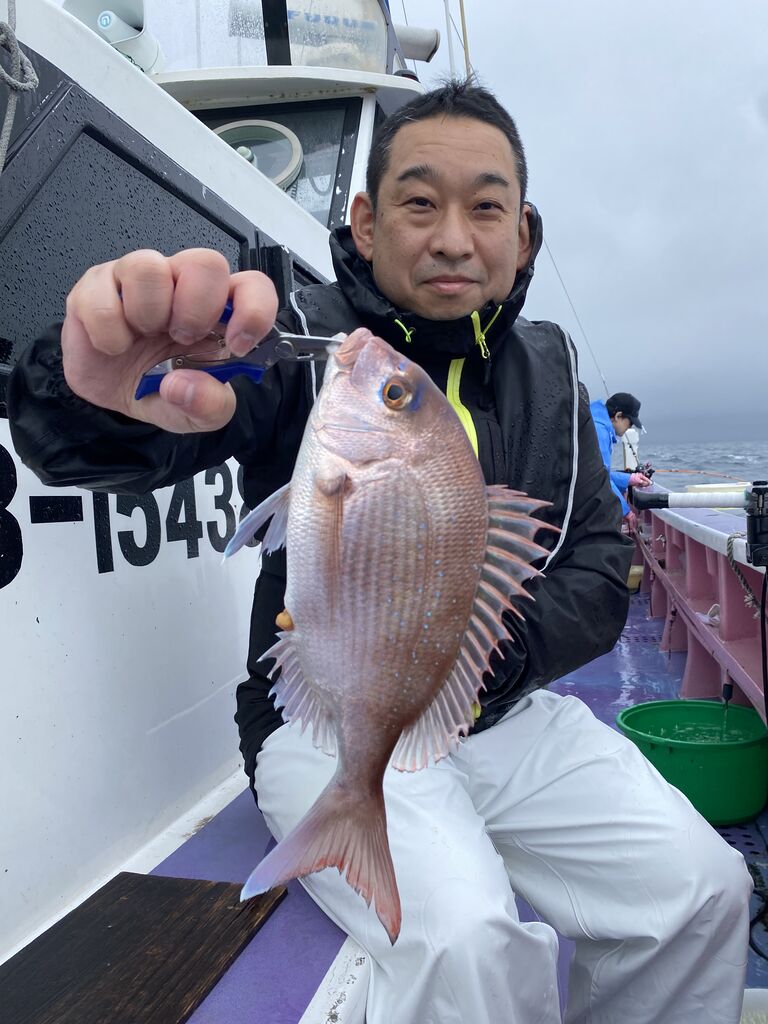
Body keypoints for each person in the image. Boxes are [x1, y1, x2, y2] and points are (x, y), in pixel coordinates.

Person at [8, 82, 750, 1023]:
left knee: (704, 891)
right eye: (419, 202)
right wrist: (91, 388)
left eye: (486, 208)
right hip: (328, 720)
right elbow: (133, 431)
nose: (454, 239)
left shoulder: (553, 375)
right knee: (466, 945)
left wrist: (475, 665)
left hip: (502, 714)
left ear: (524, 234)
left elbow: (602, 568)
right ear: (365, 223)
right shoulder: (295, 347)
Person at [591, 391, 652, 530]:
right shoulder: (600, 432)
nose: (629, 428)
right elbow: (600, 478)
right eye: (630, 424)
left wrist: (629, 479)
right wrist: (626, 512)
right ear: (618, 416)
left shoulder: (594, 425)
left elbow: (598, 473)